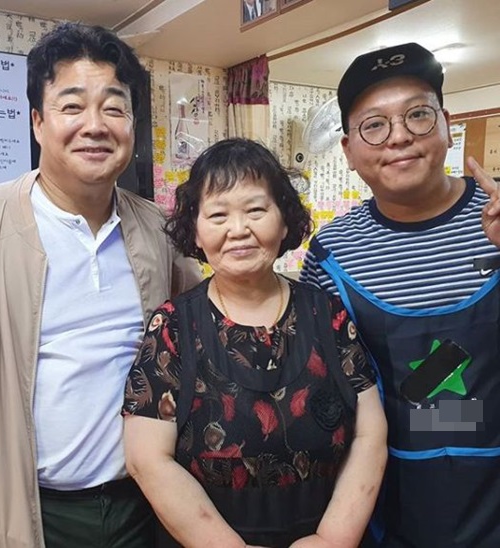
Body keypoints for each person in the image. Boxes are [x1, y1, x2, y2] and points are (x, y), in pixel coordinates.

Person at [0, 22, 201, 548]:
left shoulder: (159, 231)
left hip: (143, 506)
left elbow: (201, 339)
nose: (95, 125)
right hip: (17, 511)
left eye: (114, 107)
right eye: (72, 105)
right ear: (38, 122)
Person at [122, 138, 387, 547]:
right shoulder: (173, 327)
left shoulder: (327, 313)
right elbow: (147, 459)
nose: (238, 230)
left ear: (284, 221)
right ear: (196, 230)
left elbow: (370, 436)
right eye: (218, 214)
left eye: (256, 210)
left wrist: (332, 540)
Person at [300, 42, 500, 547]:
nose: (400, 137)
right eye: (375, 125)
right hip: (392, 503)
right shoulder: (332, 254)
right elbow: (319, 384)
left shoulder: (496, 216)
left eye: (418, 115)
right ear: (348, 150)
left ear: (447, 125)